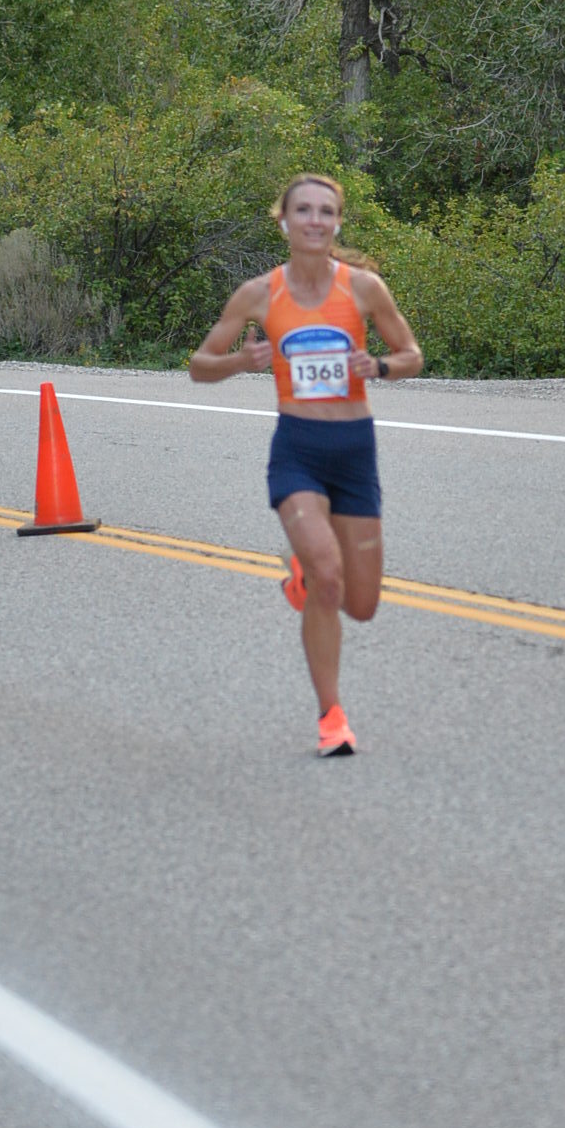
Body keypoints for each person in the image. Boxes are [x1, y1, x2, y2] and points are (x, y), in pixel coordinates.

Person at [189, 173, 422, 756]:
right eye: (303, 210)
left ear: (337, 222)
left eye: (325, 211)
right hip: (297, 450)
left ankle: (304, 577)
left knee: (361, 606)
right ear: (284, 221)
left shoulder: (364, 288)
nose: (315, 220)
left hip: (354, 451)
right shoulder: (259, 294)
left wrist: (380, 368)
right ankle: (331, 717)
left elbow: (412, 355)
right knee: (329, 576)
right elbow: (198, 364)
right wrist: (241, 361)